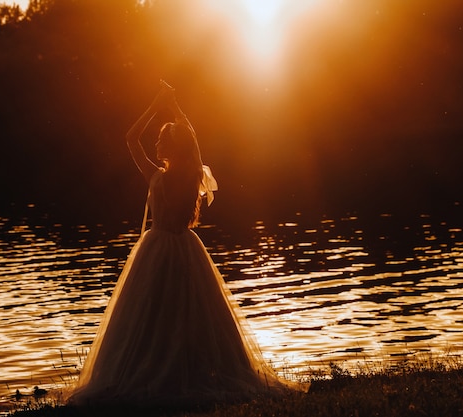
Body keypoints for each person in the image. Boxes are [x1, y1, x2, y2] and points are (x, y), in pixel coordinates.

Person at [68, 81, 301, 408]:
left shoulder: (158, 176)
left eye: (162, 140)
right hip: (187, 248)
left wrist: (156, 104)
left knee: (153, 315)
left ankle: (155, 373)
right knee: (191, 313)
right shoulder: (193, 173)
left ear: (169, 148)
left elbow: (130, 138)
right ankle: (192, 371)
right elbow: (189, 135)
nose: (158, 142)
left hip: (157, 249)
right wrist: (173, 106)